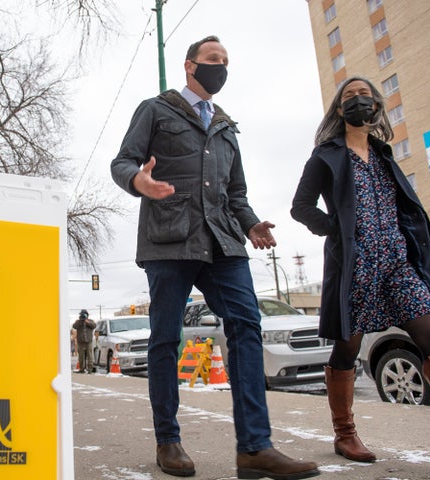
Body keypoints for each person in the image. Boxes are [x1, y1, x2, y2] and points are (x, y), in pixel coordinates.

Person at [111, 35, 320, 479]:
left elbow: (236, 192)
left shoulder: (226, 126)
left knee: (246, 326)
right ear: (190, 66)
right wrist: (138, 183)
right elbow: (122, 162)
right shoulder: (156, 109)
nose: (220, 67)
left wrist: (251, 223)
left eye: (226, 61)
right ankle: (168, 441)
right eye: (213, 60)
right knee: (165, 339)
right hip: (169, 237)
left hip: (224, 242)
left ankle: (255, 448)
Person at [290, 76, 430, 471]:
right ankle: (345, 434)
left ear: (376, 106)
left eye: (366, 96)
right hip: (355, 267)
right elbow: (301, 206)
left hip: (398, 264)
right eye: (349, 97)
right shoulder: (326, 155)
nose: (359, 101)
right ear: (339, 111)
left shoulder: (384, 155)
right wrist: (339, 232)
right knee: (346, 349)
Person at [73, 309, 96, 374]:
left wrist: (87, 321)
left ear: (87, 315)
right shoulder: (78, 321)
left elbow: (94, 326)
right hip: (80, 341)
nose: (82, 316)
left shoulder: (90, 321)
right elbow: (74, 326)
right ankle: (81, 369)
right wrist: (80, 321)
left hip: (89, 341)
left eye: (83, 314)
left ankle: (90, 369)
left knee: (90, 355)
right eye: (81, 314)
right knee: (81, 356)